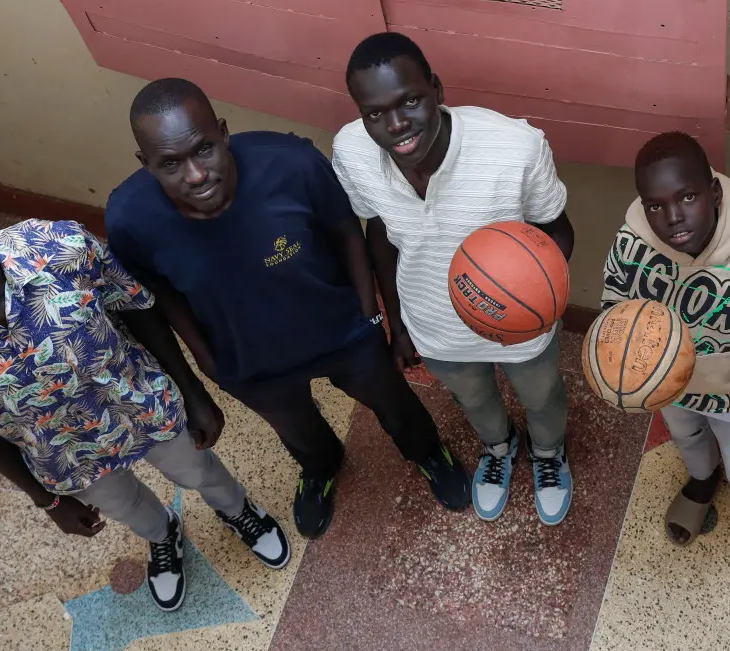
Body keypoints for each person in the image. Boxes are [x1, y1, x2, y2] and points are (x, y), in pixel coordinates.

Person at [0, 176, 289, 613]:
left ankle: (236, 509)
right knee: (127, 507)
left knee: (199, 470)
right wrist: (46, 500)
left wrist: (193, 391)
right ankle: (163, 535)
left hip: (140, 402)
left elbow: (135, 305)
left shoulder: (58, 245)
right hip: (67, 455)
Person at [105, 78, 469, 540]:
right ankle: (321, 467)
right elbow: (155, 297)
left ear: (223, 133)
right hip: (246, 357)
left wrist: (370, 315)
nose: (195, 175)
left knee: (395, 403)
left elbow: (345, 230)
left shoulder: (292, 164)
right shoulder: (129, 218)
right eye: (171, 164)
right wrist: (202, 366)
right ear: (146, 164)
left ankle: (428, 453)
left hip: (342, 331)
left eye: (204, 150)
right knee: (296, 430)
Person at [331, 32, 577, 526]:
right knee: (473, 397)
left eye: (411, 101)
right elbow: (377, 231)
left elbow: (557, 231)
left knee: (542, 395)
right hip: (435, 322)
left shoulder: (516, 148)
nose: (396, 124)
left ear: (437, 90)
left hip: (521, 325)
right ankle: (499, 447)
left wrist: (531, 299)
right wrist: (397, 325)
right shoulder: (351, 152)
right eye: (375, 113)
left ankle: (549, 455)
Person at [601, 132, 730, 600]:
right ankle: (700, 479)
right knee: (688, 440)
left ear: (714, 192)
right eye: (655, 205)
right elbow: (617, 315)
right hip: (671, 388)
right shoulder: (632, 247)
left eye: (688, 197)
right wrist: (622, 371)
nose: (672, 218)